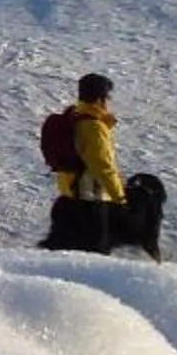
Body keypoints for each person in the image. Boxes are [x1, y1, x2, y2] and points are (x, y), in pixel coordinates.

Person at [41, 72, 129, 254]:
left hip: (67, 197)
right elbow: (103, 166)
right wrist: (119, 197)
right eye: (108, 97)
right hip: (90, 204)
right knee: (94, 257)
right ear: (100, 99)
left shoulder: (73, 116)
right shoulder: (94, 127)